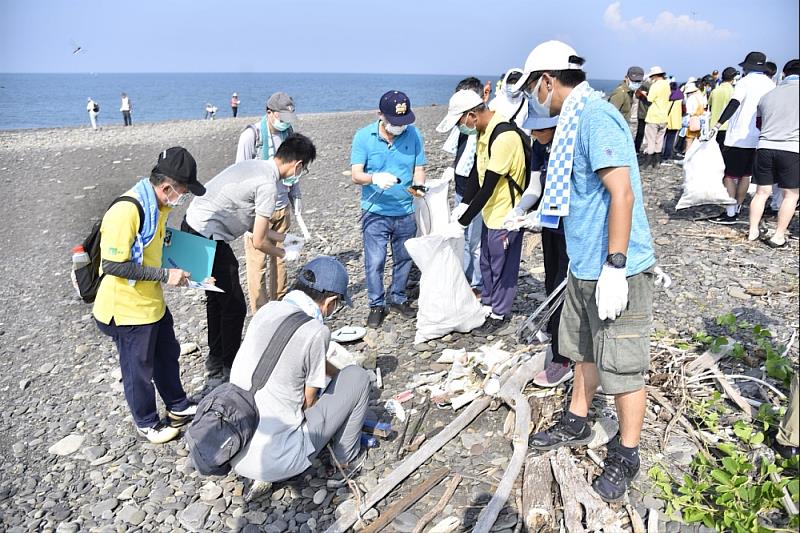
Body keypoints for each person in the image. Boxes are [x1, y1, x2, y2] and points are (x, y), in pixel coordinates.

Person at [518, 41, 656, 503]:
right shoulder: (575, 118)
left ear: (546, 82)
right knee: (581, 348)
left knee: (623, 363)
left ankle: (627, 451)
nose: (537, 102)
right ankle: (577, 419)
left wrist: (616, 265)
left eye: (534, 91)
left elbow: (622, 192)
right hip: (584, 263)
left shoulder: (596, 117)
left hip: (616, 267)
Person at [93, 147, 207, 443]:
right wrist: (165, 275)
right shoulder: (127, 210)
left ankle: (178, 406)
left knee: (167, 354)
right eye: (183, 190)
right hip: (127, 310)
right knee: (138, 369)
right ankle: (146, 421)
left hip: (151, 304)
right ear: (167, 186)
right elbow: (113, 265)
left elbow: (157, 249)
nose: (183, 196)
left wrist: (196, 269)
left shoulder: (160, 206)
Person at [183, 134, 317, 382]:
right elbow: (257, 241)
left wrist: (282, 238)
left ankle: (215, 362)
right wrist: (284, 253)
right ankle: (229, 368)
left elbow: (254, 224)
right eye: (304, 169)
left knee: (215, 300)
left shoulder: (255, 164)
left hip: (190, 225)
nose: (301, 173)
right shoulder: (268, 184)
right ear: (297, 165)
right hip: (206, 236)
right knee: (234, 306)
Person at [230, 256, 371, 483]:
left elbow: (291, 356)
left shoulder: (267, 311)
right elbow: (308, 403)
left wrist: (338, 377)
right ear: (330, 301)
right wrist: (348, 387)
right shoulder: (316, 331)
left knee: (345, 378)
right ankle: (345, 459)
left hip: (234, 445)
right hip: (278, 461)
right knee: (358, 377)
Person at [439, 88, 528, 334]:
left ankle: (500, 314)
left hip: (507, 214)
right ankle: (488, 304)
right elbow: (477, 176)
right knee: (487, 261)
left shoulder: (503, 136)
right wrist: (464, 205)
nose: (460, 127)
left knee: (502, 266)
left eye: (459, 123)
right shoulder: (482, 133)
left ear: (471, 115)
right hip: (491, 212)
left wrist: (463, 221)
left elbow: (489, 185)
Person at [350, 90, 426, 328]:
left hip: (405, 211)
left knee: (403, 259)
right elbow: (356, 174)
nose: (400, 127)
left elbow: (419, 168)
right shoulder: (364, 137)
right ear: (380, 115)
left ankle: (398, 297)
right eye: (395, 122)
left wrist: (419, 190)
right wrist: (374, 179)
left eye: (403, 122)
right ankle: (376, 304)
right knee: (375, 261)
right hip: (375, 211)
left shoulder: (413, 134)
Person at [236, 92, 302, 312]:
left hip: (282, 207)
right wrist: (246, 214)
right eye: (281, 117)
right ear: (269, 113)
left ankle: (280, 302)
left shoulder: (289, 135)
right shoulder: (251, 136)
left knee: (281, 259)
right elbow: (240, 176)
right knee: (257, 263)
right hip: (257, 212)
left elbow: (294, 169)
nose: (285, 122)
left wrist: (296, 197)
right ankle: (260, 310)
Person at [523, 115, 574, 387]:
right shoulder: (540, 147)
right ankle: (557, 338)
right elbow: (535, 186)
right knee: (550, 283)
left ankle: (564, 358)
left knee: (564, 288)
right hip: (550, 225)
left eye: (539, 129)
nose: (534, 133)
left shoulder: (571, 144)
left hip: (572, 228)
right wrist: (522, 209)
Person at [707, 51, 776, 224]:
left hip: (739, 136)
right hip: (760, 137)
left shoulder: (744, 82)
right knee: (746, 174)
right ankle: (737, 207)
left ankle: (730, 212)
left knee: (729, 175)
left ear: (747, 67)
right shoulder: (771, 84)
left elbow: (734, 103)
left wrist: (718, 124)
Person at [439, 77, 487, 296]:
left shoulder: (486, 129)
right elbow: (458, 153)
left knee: (475, 241)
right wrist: (452, 169)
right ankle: (466, 280)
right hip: (462, 188)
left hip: (477, 193)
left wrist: (469, 202)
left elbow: (484, 171)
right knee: (463, 238)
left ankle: (477, 285)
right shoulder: (463, 126)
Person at [747, 59, 799, 247]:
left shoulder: (768, 95)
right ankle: (778, 235)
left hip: (765, 147)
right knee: (790, 195)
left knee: (762, 192)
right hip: (792, 149)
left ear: (784, 74)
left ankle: (752, 231)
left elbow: (758, 124)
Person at [641, 66, 670, 168]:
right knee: (659, 140)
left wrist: (644, 94)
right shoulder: (667, 84)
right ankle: (657, 162)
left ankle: (648, 162)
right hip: (664, 116)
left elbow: (650, 99)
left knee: (650, 140)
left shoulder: (655, 85)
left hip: (654, 116)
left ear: (655, 75)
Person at [709, 67, 738, 149]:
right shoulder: (734, 91)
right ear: (733, 78)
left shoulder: (714, 91)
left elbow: (710, 106)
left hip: (713, 126)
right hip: (727, 126)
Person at [661, 82, 683, 164]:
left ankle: (658, 153)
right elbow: (684, 109)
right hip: (676, 120)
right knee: (671, 139)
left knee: (661, 138)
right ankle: (667, 155)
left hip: (665, 118)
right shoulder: (680, 96)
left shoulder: (666, 96)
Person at [683, 82, 705, 152]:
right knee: (697, 139)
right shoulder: (701, 96)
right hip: (700, 120)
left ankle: (687, 156)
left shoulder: (691, 98)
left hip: (692, 120)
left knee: (689, 139)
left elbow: (689, 111)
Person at [633, 78, 651, 154]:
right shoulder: (651, 87)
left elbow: (636, 95)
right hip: (649, 113)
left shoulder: (640, 88)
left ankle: (636, 149)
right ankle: (648, 149)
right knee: (649, 133)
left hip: (641, 113)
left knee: (640, 133)